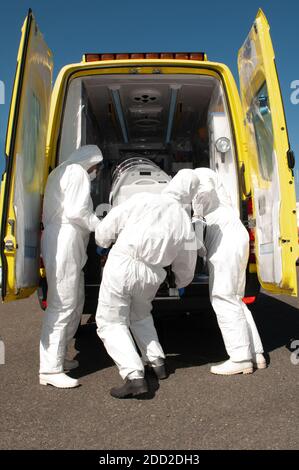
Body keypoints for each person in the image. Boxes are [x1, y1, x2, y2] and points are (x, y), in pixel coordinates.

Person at [95, 169, 200, 398]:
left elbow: (111, 222)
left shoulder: (144, 198)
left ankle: (134, 376)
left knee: (110, 321)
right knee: (140, 316)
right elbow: (187, 259)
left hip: (124, 263)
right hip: (153, 275)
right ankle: (157, 361)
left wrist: (102, 241)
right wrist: (182, 282)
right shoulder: (184, 220)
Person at [39, 145, 103, 388]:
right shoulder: (77, 172)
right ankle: (49, 369)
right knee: (63, 303)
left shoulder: (60, 171)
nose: (95, 172)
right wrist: (103, 226)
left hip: (64, 238)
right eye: (96, 167)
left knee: (74, 300)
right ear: (91, 162)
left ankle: (58, 358)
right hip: (66, 238)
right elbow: (78, 211)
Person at [192, 168, 266, 375]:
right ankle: (255, 353)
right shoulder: (221, 200)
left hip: (227, 242)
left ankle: (240, 358)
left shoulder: (200, 178)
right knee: (235, 298)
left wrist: (195, 210)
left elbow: (202, 188)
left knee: (223, 297)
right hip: (236, 237)